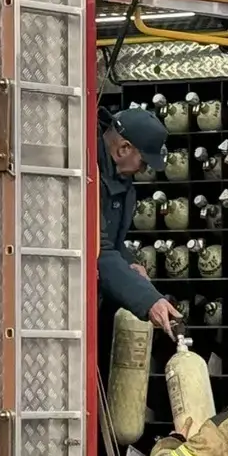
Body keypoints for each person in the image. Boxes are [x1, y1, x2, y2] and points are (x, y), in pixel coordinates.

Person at [96, 106, 182, 337]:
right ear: (124, 148)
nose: (143, 169)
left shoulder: (120, 182)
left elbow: (112, 243)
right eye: (143, 161)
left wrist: (130, 265)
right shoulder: (89, 177)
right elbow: (96, 249)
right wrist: (147, 299)